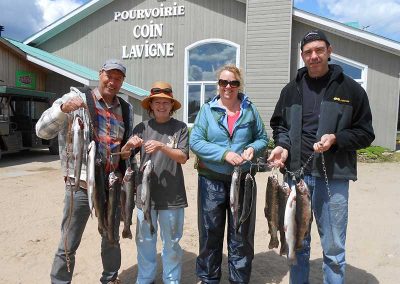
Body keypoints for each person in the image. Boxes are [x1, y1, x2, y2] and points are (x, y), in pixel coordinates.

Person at [268, 30, 375, 284]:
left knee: (334, 248)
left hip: (333, 177)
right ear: (302, 56)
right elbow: (280, 126)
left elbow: (365, 133)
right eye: (308, 52)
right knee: (297, 242)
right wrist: (282, 146)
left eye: (319, 50)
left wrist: (337, 140)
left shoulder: (350, 89)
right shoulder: (290, 90)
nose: (314, 56)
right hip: (296, 176)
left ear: (329, 50)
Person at [36, 59, 133, 284]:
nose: (113, 81)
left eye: (118, 78)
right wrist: (62, 110)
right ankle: (60, 281)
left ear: (122, 82)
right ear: (100, 74)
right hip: (80, 184)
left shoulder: (126, 109)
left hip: (111, 184)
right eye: (109, 75)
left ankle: (110, 278)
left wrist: (126, 154)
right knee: (69, 242)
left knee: (111, 238)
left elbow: (122, 148)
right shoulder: (74, 99)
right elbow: (42, 131)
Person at [189, 65, 268, 284]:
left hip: (243, 181)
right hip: (211, 179)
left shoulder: (249, 110)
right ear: (218, 85)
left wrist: (254, 148)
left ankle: (239, 280)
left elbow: (262, 137)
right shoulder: (207, 110)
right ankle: (209, 279)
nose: (228, 87)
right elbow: (195, 142)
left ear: (238, 85)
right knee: (209, 233)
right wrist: (224, 154)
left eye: (233, 83)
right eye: (223, 83)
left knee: (241, 236)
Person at [121, 81, 189, 284]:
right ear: (150, 105)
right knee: (145, 242)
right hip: (145, 197)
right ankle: (145, 279)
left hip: (172, 197)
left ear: (172, 106)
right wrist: (128, 144)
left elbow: (183, 157)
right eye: (157, 102)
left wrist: (161, 146)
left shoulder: (180, 128)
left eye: (165, 103)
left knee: (172, 244)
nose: (161, 106)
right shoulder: (141, 127)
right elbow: (124, 155)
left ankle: (171, 280)